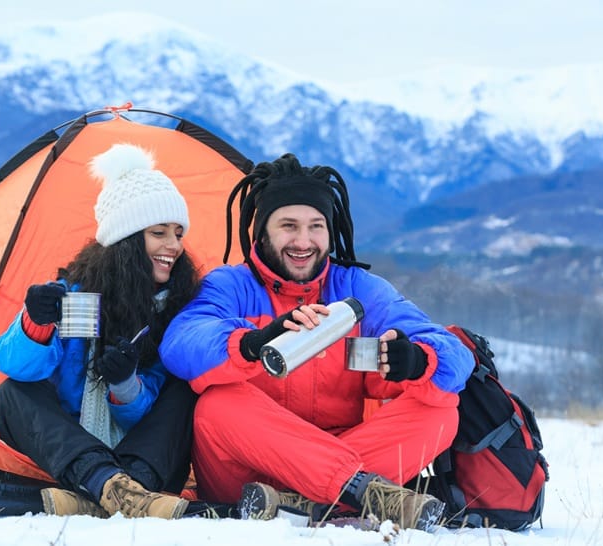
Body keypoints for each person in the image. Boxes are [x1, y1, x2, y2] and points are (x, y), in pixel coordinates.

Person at [159, 153, 474, 531]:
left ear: (330, 231)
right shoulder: (231, 285)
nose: (303, 241)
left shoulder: (359, 290)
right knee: (217, 403)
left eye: (316, 226)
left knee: (440, 411)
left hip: (335, 457)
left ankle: (301, 503)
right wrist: (252, 343)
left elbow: (453, 356)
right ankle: (352, 493)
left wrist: (419, 361)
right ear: (262, 232)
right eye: (288, 226)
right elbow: (180, 343)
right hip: (243, 474)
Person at [0, 143, 200, 520]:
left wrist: (125, 385)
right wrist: (35, 322)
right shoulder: (70, 296)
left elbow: (147, 417)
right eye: (160, 233)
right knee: (10, 394)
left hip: (143, 459)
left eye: (178, 233)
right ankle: (114, 490)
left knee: (187, 391)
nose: (175, 246)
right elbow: (12, 364)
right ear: (128, 240)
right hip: (72, 455)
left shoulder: (175, 310)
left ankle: (112, 493)